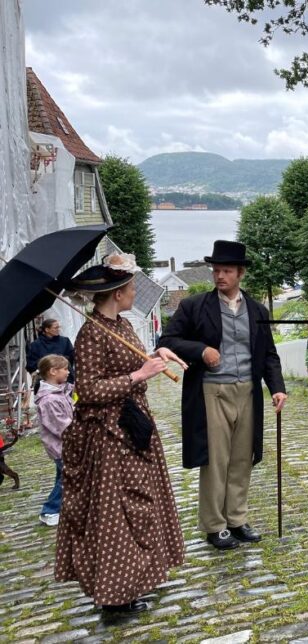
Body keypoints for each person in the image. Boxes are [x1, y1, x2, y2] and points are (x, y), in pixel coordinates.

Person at [55, 253, 187, 616]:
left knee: (140, 508)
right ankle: (114, 600)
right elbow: (88, 390)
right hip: (109, 436)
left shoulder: (123, 326)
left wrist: (156, 353)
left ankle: (132, 585)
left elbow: (132, 360)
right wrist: (138, 376)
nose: (133, 293)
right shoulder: (91, 333)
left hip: (133, 428)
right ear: (116, 294)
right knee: (117, 516)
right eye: (129, 288)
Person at [158, 240, 287, 551]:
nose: (219, 276)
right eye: (216, 270)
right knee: (216, 460)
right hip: (210, 392)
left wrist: (278, 387)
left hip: (248, 391)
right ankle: (215, 525)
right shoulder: (194, 306)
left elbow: (269, 354)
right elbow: (169, 340)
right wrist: (201, 350)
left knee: (243, 459)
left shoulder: (257, 310)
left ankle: (237, 519)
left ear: (240, 273)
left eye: (226, 270)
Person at [35, 354, 74, 527]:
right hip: (61, 447)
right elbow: (60, 427)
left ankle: (58, 507)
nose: (68, 372)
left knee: (62, 477)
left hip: (65, 446)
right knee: (67, 479)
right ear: (53, 371)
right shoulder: (49, 400)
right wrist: (80, 430)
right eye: (65, 369)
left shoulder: (62, 390)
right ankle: (50, 511)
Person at [26, 319, 75, 384]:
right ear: (47, 330)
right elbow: (31, 364)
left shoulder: (65, 341)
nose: (58, 329)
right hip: (45, 380)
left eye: (59, 327)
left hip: (65, 379)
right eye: (55, 328)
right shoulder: (35, 345)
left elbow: (71, 358)